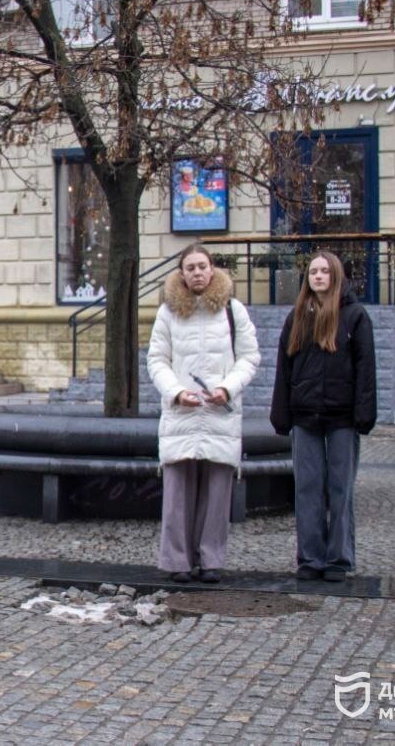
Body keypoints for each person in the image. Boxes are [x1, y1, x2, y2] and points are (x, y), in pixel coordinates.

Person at [147, 243, 260, 584]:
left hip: (218, 411)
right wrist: (177, 392)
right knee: (177, 492)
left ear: (212, 270)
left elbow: (249, 357)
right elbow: (157, 360)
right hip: (182, 412)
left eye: (202, 266)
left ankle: (211, 559)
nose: (197, 272)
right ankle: (177, 560)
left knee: (217, 492)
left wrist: (227, 387)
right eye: (190, 267)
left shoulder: (232, 310)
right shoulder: (168, 313)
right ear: (181, 274)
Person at [270, 251, 377, 583]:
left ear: (336, 275)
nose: (317, 276)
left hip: (342, 416)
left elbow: (366, 368)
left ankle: (339, 558)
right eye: (313, 271)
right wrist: (282, 412)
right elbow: (284, 368)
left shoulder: (355, 316)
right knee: (308, 487)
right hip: (306, 415)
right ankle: (310, 556)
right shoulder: (298, 317)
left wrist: (363, 413)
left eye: (324, 271)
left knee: (340, 487)